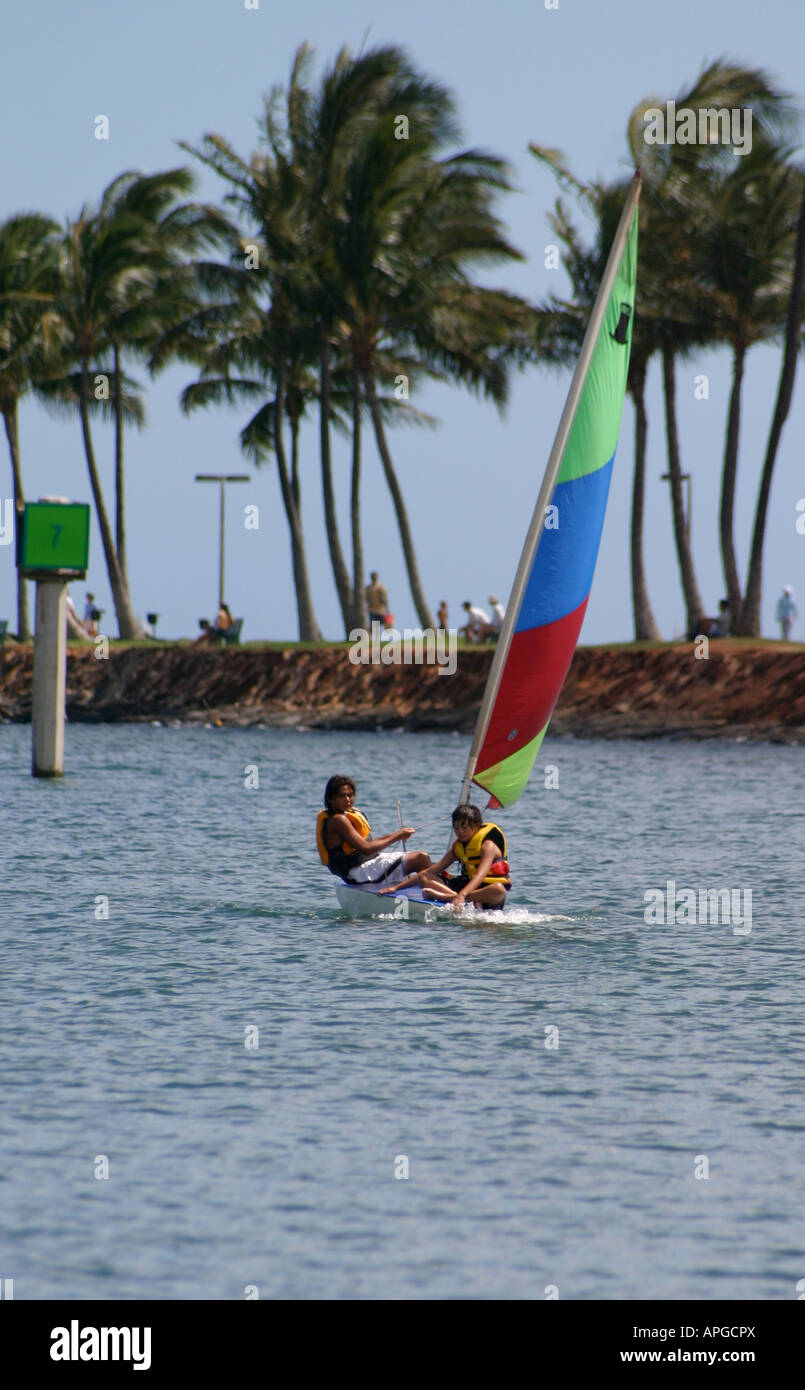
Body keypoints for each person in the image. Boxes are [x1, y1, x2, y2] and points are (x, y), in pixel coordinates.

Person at [380, 802, 511, 910]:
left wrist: (462, 895)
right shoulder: (458, 847)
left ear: (476, 826)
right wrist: (396, 887)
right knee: (425, 878)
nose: (460, 832)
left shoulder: (488, 846)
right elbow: (430, 871)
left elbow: (480, 875)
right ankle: (458, 897)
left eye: (464, 828)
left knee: (498, 889)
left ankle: (448, 897)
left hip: (487, 892)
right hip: (466, 889)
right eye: (456, 828)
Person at [316, 775, 431, 887]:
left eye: (350, 795)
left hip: (365, 865)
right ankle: (443, 897)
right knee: (420, 858)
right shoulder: (338, 820)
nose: (347, 800)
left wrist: (398, 834)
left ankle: (434, 891)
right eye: (342, 796)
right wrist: (398, 836)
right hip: (358, 872)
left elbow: (368, 844)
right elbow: (367, 849)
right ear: (331, 799)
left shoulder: (344, 815)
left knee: (423, 859)